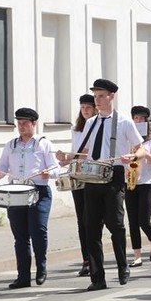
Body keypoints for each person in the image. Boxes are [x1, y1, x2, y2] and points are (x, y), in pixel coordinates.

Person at [68, 79, 144, 291]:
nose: (97, 101)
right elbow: (84, 151)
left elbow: (141, 148)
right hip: (92, 176)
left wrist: (133, 156)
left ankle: (122, 266)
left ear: (111, 96)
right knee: (90, 227)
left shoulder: (124, 122)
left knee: (116, 224)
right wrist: (68, 158)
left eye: (101, 96)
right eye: (95, 97)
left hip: (114, 174)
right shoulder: (91, 123)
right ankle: (97, 277)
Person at [0, 108, 60, 289]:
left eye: (25, 123)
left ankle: (41, 268)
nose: (21, 127)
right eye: (19, 123)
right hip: (15, 193)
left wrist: (48, 173)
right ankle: (23, 276)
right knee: (20, 236)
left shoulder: (43, 144)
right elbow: (2, 166)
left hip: (38, 191)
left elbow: (56, 168)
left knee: (38, 231)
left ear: (34, 124)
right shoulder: (11, 145)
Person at [56, 94, 96, 277]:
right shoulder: (76, 129)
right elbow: (78, 151)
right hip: (78, 174)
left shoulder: (98, 126)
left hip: (94, 175)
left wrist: (74, 155)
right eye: (83, 108)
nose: (85, 110)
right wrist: (65, 160)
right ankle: (86, 259)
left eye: (89, 107)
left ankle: (95, 257)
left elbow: (88, 151)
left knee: (94, 219)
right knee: (82, 219)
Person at [126, 106, 151, 267]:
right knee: (132, 220)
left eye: (142, 118)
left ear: (147, 121)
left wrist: (144, 153)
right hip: (131, 182)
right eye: (136, 118)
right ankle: (137, 255)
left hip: (147, 182)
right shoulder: (127, 138)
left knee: (143, 220)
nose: (139, 121)